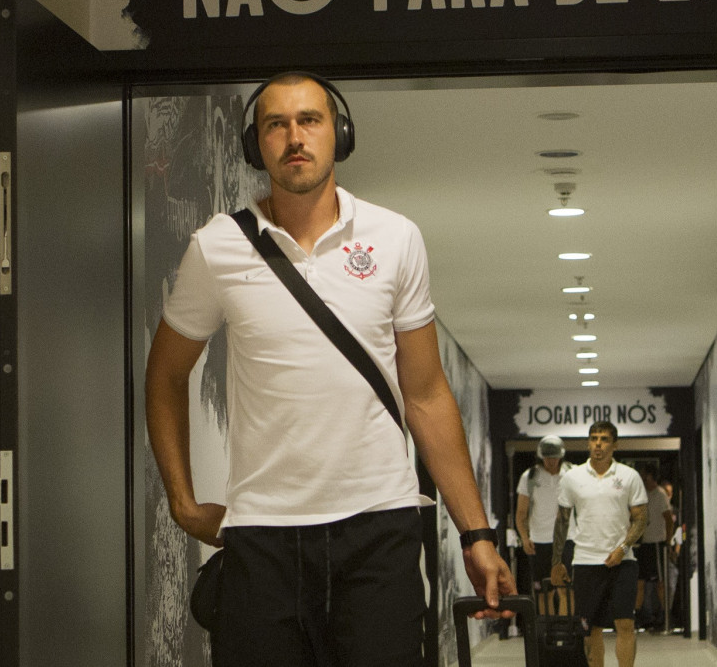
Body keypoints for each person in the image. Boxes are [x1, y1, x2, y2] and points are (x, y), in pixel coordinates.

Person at [145, 72, 514, 667]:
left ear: (338, 132)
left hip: (379, 532)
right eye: (276, 124)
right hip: (262, 535)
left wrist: (477, 534)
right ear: (255, 144)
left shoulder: (395, 238)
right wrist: (183, 503)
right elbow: (165, 374)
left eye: (310, 120)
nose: (295, 137)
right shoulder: (218, 247)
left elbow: (425, 394)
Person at [550, 422, 647, 667]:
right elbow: (562, 521)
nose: (598, 444)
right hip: (584, 562)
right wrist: (556, 562)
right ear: (588, 443)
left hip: (623, 563)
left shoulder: (628, 476)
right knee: (590, 628)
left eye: (604, 439)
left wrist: (622, 548)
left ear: (615, 444)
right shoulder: (572, 477)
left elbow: (641, 519)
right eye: (593, 438)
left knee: (625, 624)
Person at [515, 435, 571, 610]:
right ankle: (547, 634)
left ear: (561, 456)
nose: (551, 461)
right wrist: (524, 538)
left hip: (567, 539)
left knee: (566, 590)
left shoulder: (571, 474)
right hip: (539, 540)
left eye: (554, 457)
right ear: (541, 456)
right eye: (547, 457)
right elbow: (521, 512)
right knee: (543, 591)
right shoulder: (530, 476)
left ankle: (566, 633)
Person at [634, 466, 675, 629]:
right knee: (640, 581)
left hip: (657, 542)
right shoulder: (643, 494)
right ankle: (638, 614)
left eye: (645, 478)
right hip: (644, 542)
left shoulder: (660, 494)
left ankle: (666, 614)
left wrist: (668, 540)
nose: (643, 481)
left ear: (651, 478)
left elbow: (668, 519)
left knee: (660, 581)